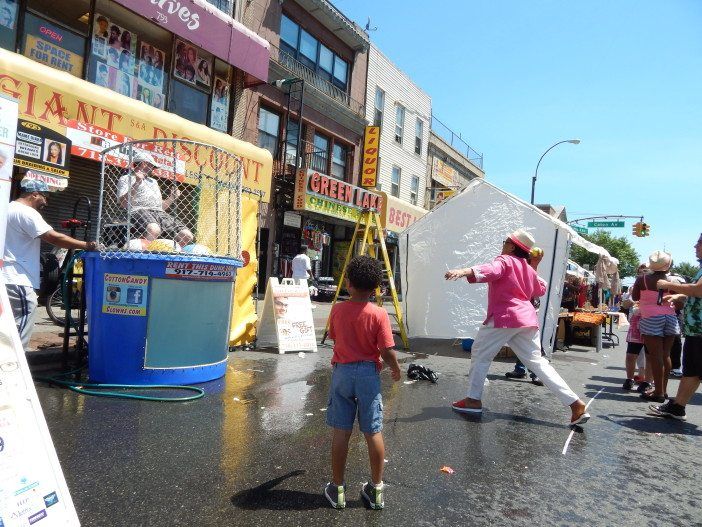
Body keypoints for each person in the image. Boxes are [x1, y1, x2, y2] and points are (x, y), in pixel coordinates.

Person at [445, 229, 590, 425]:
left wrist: (464, 271)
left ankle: (473, 400)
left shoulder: (505, 260)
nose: (503, 244)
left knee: (480, 354)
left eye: (505, 242)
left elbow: (492, 270)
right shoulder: (528, 268)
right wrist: (534, 266)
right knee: (537, 363)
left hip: (505, 317)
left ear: (512, 246)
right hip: (527, 320)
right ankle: (575, 404)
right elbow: (540, 289)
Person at [324, 256, 401, 510]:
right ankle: (376, 489)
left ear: (349, 284)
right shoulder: (379, 314)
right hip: (369, 374)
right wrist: (396, 369)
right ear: (375, 288)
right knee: (372, 431)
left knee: (341, 431)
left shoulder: (337, 309)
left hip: (342, 372)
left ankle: (337, 489)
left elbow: (335, 337)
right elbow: (387, 350)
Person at [1, 180, 97, 349]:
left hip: (6, 276)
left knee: (6, 323)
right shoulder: (27, 213)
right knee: (23, 318)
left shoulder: (6, 208)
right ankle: (14, 365)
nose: (46, 202)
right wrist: (86, 245)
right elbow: (53, 237)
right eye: (44, 197)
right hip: (17, 278)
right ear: (34, 194)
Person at [648, 233, 702, 421]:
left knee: (694, 370)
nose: (695, 247)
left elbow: (699, 290)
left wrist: (670, 285)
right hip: (697, 330)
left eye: (698, 243)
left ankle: (677, 406)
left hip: (700, 330)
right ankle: (677, 407)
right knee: (693, 371)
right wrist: (680, 296)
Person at [631, 251, 680, 402]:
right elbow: (679, 304)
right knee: (666, 355)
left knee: (656, 356)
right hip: (670, 318)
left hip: (651, 318)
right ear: (668, 265)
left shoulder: (642, 279)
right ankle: (663, 390)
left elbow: (634, 297)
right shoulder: (673, 280)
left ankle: (658, 392)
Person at [116, 152, 193, 247]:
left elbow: (161, 207)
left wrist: (172, 197)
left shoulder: (154, 182)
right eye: (152, 166)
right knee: (153, 229)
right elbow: (123, 204)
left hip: (159, 212)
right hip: (139, 210)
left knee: (186, 235)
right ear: (144, 164)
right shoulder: (126, 178)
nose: (153, 170)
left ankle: (171, 253)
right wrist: (137, 183)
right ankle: (145, 256)